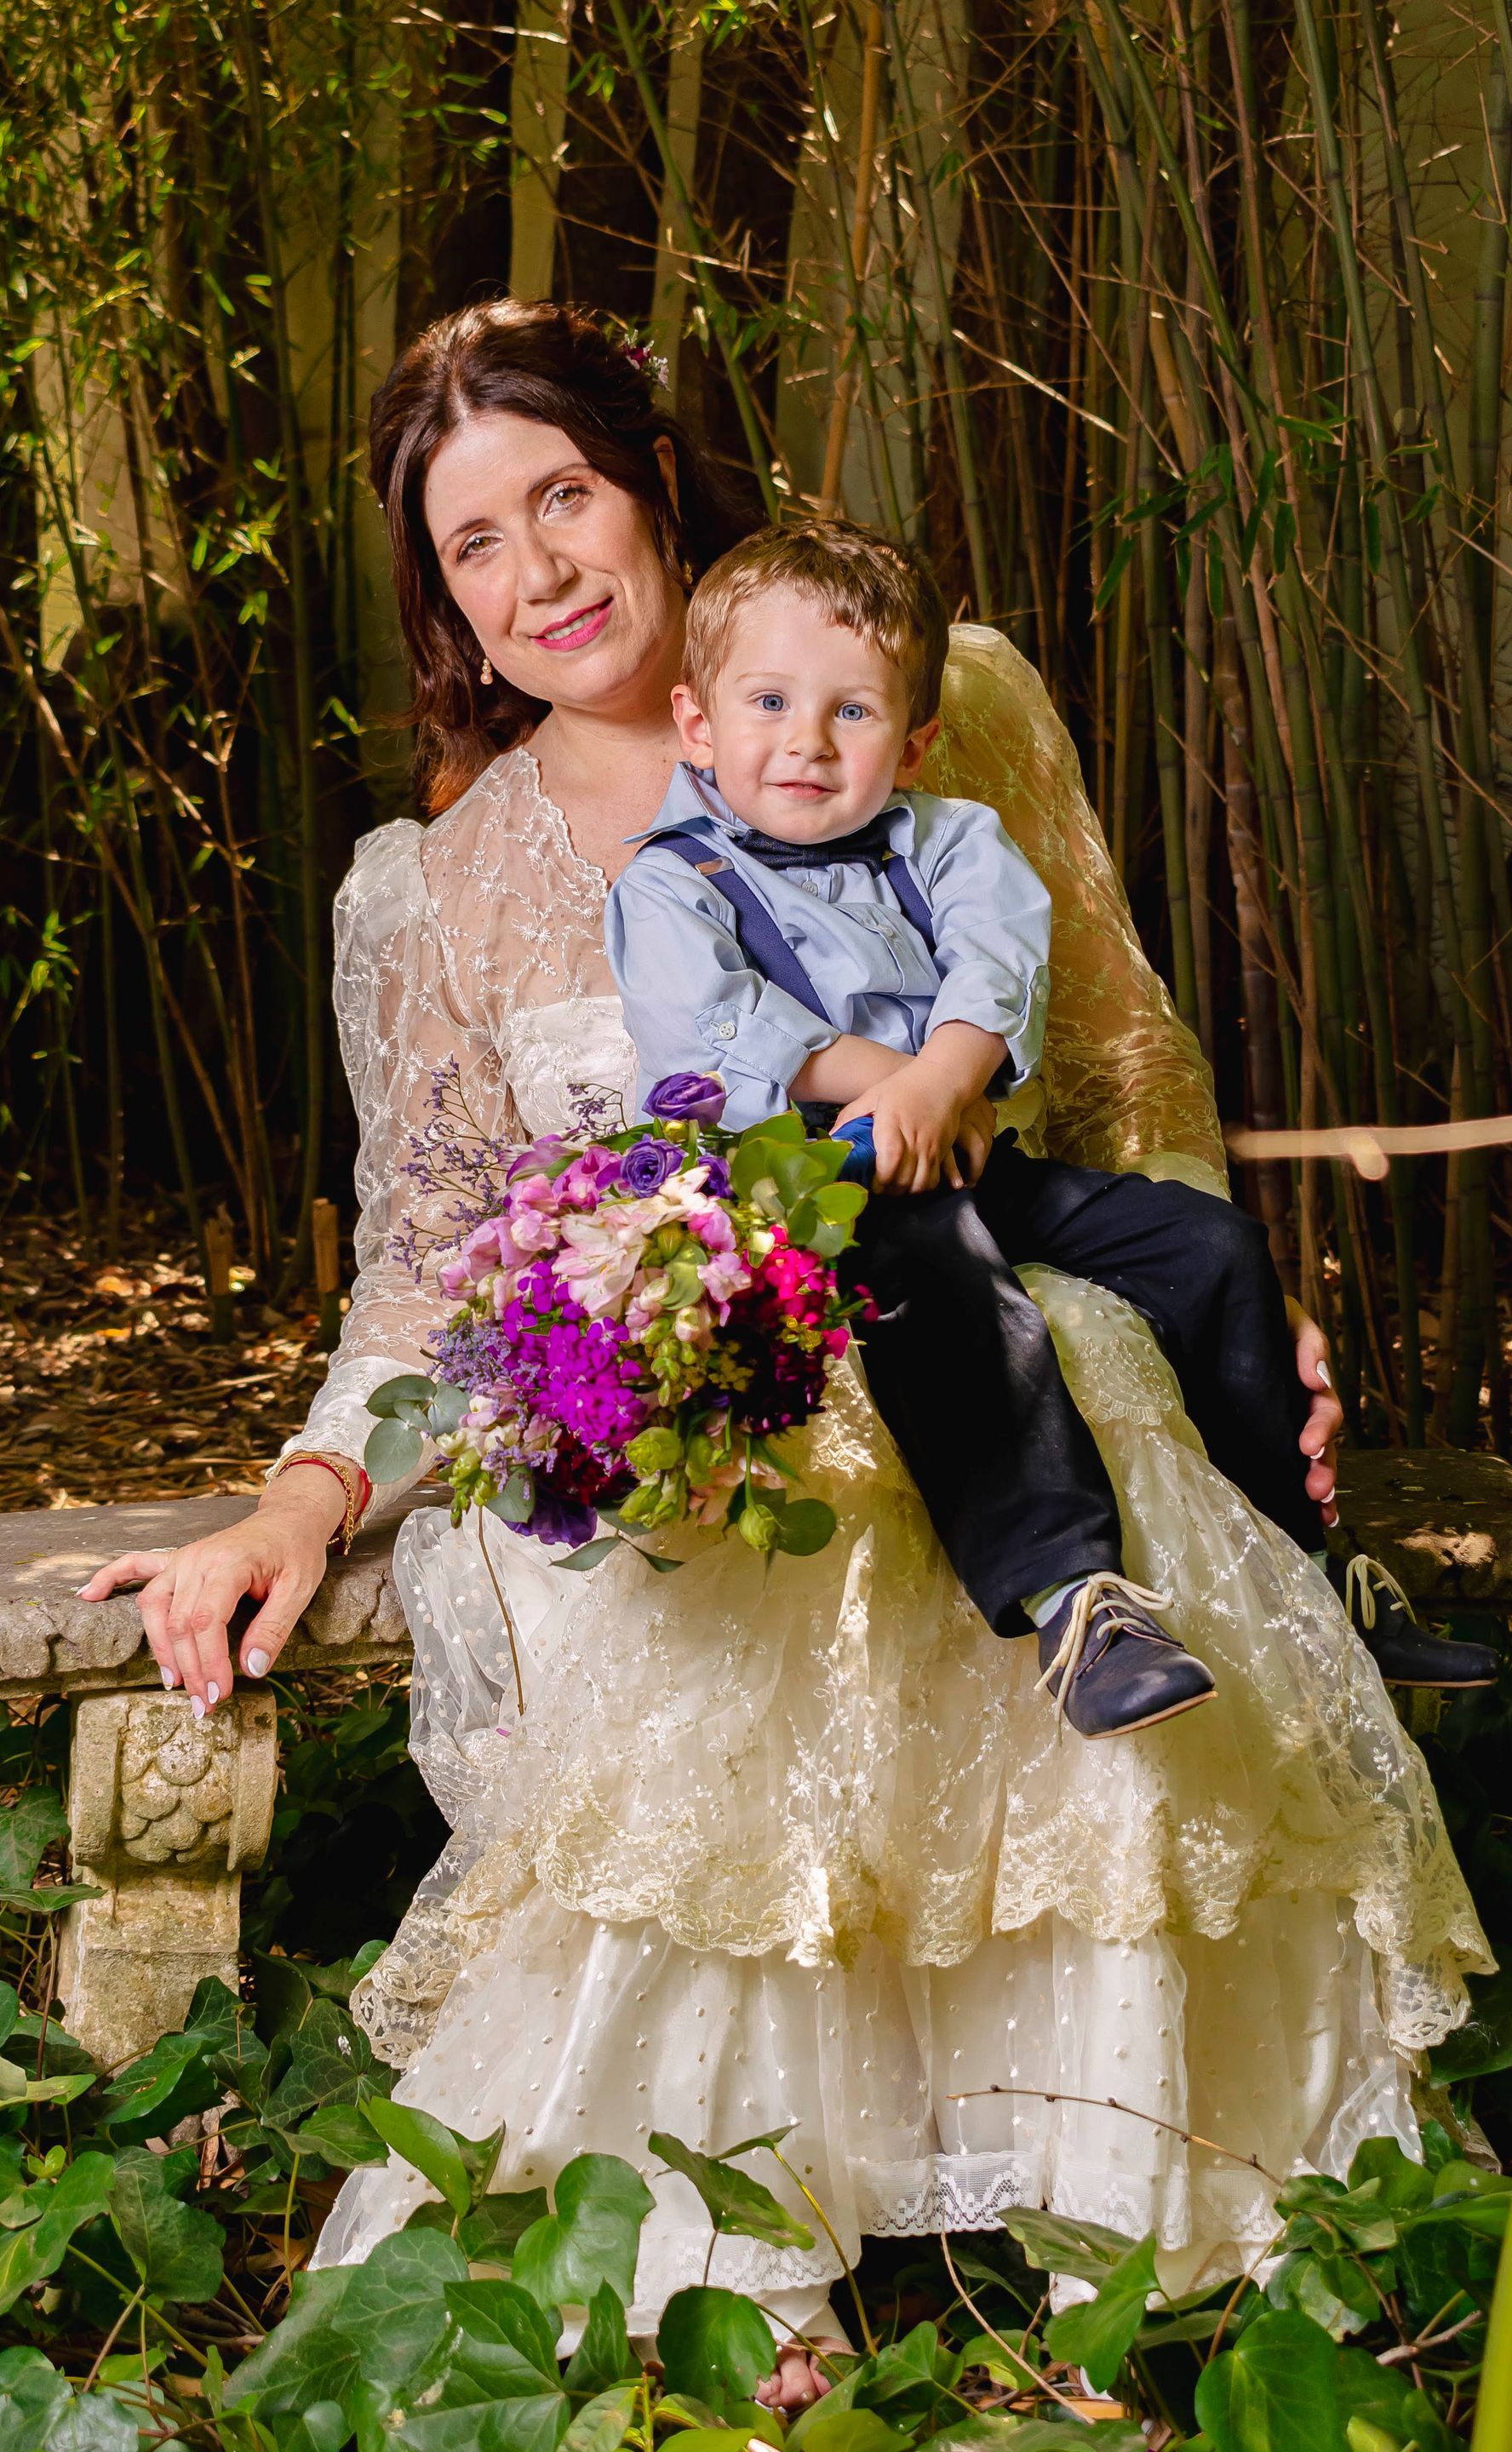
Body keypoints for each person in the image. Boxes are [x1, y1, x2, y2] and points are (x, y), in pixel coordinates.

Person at [79, 300, 1490, 2380]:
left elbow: (1120, 1054)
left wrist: (1233, 1298)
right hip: (701, 1411)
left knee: (1060, 1381)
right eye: (477, 545)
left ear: (655, 483)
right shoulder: (439, 891)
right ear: (448, 603)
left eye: (567, 495)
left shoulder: (935, 696)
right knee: (785, 1514)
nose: (542, 571)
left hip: (988, 1283)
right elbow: (428, 1276)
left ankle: (1133, 2163)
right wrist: (301, 1500)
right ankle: (736, 2225)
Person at [605, 518, 1498, 1735]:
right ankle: (1074, 1603)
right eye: (769, 702)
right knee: (949, 1285)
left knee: (1208, 1246)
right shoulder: (670, 881)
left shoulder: (950, 837)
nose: (808, 740)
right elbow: (720, 1030)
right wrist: (911, 1088)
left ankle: (1309, 1569)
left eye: (852, 712)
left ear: (914, 739)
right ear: (698, 723)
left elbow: (1000, 966)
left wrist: (947, 1086)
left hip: (978, 1154)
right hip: (812, 1199)